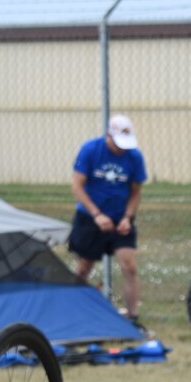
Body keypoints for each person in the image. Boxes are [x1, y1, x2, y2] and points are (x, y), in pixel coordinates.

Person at [69, 113, 146, 324]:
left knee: (129, 265)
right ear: (108, 136)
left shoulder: (134, 157)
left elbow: (135, 192)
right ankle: (72, 310)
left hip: (120, 217)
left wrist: (127, 218)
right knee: (84, 267)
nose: (122, 149)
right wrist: (97, 215)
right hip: (90, 217)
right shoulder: (90, 150)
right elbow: (77, 186)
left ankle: (133, 316)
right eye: (118, 144)